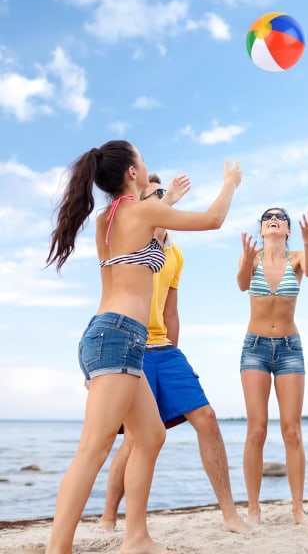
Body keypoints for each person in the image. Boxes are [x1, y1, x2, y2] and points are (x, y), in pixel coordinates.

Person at [45, 140, 241, 554]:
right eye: (142, 160)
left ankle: (135, 538)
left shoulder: (110, 218)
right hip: (117, 335)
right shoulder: (139, 211)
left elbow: (148, 219)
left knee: (150, 436)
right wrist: (230, 183)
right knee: (93, 449)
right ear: (132, 172)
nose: (147, 163)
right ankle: (57, 548)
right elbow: (213, 219)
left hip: (111, 335)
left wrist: (166, 196)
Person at [99, 174, 248, 535]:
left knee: (208, 418)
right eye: (154, 196)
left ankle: (229, 514)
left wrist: (173, 357)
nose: (162, 200)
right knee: (134, 437)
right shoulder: (130, 235)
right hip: (129, 344)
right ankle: (107, 517)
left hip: (164, 349)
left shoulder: (175, 254)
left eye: (163, 194)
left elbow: (170, 312)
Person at [236, 207, 308, 526]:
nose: (274, 219)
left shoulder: (296, 257)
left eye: (281, 217)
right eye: (268, 217)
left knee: (292, 430)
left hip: (289, 349)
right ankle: (253, 510)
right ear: (261, 229)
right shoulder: (250, 256)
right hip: (254, 347)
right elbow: (243, 285)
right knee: (256, 429)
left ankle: (298, 509)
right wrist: (245, 258)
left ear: (287, 230)